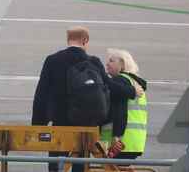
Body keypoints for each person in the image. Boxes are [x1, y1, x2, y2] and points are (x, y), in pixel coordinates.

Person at [31, 26, 139, 172]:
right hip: (85, 123)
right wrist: (132, 91)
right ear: (85, 40)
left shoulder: (52, 60)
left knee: (56, 162)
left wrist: (38, 124)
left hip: (60, 122)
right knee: (80, 163)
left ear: (68, 40)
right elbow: (110, 86)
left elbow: (41, 94)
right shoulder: (93, 61)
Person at [101, 48, 148, 161]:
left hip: (120, 142)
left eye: (111, 61)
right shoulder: (134, 82)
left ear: (122, 64)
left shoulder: (120, 81)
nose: (107, 64)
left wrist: (116, 136)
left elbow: (120, 111)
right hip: (135, 141)